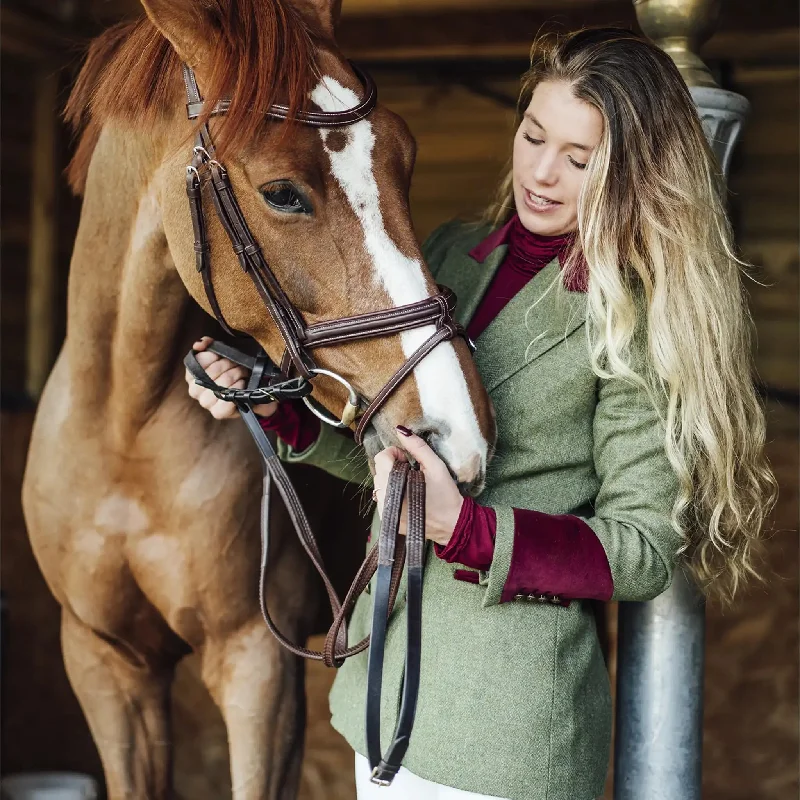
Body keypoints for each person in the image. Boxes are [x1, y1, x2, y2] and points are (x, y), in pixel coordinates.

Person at [186, 28, 776, 800]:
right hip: (385, 693)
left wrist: (464, 529)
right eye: (533, 134)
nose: (540, 171)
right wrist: (277, 410)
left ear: (632, 169)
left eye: (578, 156)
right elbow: (397, 455)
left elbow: (639, 553)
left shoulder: (637, 316)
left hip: (505, 733)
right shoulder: (452, 253)